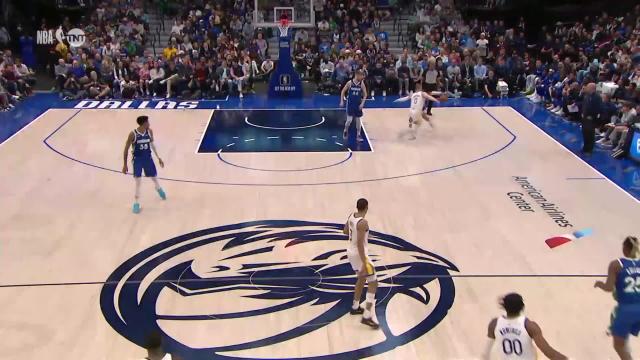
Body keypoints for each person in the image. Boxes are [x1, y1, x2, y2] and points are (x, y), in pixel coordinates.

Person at [483, 293, 568, 360]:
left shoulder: (494, 324)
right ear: (522, 307)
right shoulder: (529, 326)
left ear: (504, 306)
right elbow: (550, 353)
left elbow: (486, 353)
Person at [594, 236, 640, 360]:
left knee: (619, 346)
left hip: (626, 310)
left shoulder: (616, 264)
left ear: (624, 248)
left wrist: (599, 284)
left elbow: (609, 288)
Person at [343, 198, 378, 329]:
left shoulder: (351, 216)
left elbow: (346, 231)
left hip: (350, 252)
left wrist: (361, 235)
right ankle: (367, 316)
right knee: (373, 282)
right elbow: (360, 244)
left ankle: (355, 306)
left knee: (362, 279)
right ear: (366, 208)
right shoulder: (363, 222)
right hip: (359, 255)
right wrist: (365, 263)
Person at [122, 116, 167, 214]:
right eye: (148, 122)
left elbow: (152, 145)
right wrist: (125, 164)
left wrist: (159, 157)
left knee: (153, 176)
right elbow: (126, 149)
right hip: (137, 160)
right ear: (143, 123)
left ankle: (158, 188)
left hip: (148, 158)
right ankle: (136, 203)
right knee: (138, 181)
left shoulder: (149, 131)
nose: (149, 123)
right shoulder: (132, 134)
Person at [340, 69, 367, 142]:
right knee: (349, 120)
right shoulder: (350, 83)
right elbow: (343, 91)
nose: (362, 77)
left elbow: (365, 94)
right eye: (361, 75)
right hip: (350, 104)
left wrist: (362, 103)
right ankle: (345, 130)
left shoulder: (361, 83)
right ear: (357, 75)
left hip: (358, 104)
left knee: (358, 121)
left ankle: (358, 135)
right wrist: (342, 101)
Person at [580, 83, 602, 155]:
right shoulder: (586, 95)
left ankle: (589, 150)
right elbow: (584, 105)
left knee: (590, 134)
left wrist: (592, 116)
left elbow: (598, 108)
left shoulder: (597, 97)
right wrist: (583, 113)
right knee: (585, 133)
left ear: (592, 88)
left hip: (591, 118)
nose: (586, 88)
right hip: (585, 117)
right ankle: (585, 147)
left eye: (588, 87)